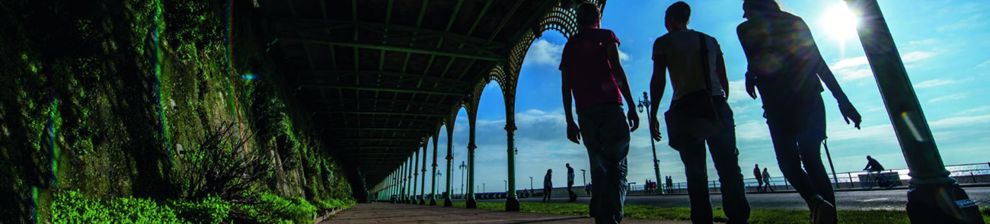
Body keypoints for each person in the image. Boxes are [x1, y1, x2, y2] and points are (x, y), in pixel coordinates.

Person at [736, 0, 863, 223]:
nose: (744, 14)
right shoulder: (794, 22)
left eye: (746, 9)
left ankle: (816, 203)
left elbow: (755, 60)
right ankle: (826, 213)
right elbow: (817, 61)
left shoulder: (745, 29)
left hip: (779, 104)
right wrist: (842, 100)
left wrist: (750, 75)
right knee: (812, 160)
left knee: (788, 163)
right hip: (809, 99)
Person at [649, 2, 750, 223]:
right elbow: (723, 79)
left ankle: (702, 218)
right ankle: (738, 216)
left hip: (687, 108)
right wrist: (719, 102)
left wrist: (653, 112)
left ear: (670, 20)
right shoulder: (710, 40)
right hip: (716, 104)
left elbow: (659, 80)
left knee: (695, 172)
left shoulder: (663, 43)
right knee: (729, 167)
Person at [560, 3, 639, 223]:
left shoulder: (570, 45)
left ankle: (601, 212)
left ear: (578, 20)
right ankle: (611, 216)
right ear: (598, 17)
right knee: (617, 166)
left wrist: (569, 120)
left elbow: (565, 87)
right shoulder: (606, 36)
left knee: (599, 165)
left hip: (585, 113)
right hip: (610, 106)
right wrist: (632, 104)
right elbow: (616, 69)